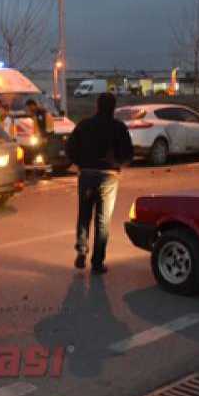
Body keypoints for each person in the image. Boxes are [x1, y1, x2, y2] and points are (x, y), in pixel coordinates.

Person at [65, 92, 134, 273]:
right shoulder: (118, 127)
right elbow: (129, 154)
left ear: (97, 106)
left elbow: (70, 149)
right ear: (113, 108)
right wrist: (117, 163)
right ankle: (97, 262)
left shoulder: (84, 125)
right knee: (103, 220)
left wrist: (81, 162)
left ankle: (81, 250)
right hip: (108, 176)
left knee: (84, 214)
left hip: (87, 175)